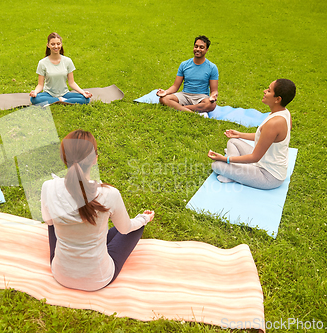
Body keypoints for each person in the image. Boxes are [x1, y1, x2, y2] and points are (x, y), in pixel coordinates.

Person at [41, 130, 155, 291]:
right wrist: (144, 219)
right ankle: (139, 223)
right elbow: (126, 229)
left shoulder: (48, 187)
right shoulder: (109, 194)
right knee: (135, 228)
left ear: (63, 158)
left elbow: (49, 222)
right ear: (95, 159)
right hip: (97, 279)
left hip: (60, 274)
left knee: (53, 223)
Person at [207, 79, 296, 189]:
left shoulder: (274, 123)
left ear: (277, 99)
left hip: (268, 176)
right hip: (262, 161)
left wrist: (225, 159)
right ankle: (236, 172)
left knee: (217, 165)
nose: (264, 91)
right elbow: (265, 138)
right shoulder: (284, 112)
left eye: (268, 90)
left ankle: (233, 173)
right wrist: (240, 135)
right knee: (233, 141)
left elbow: (254, 157)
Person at [157, 35, 219, 113]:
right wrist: (165, 92)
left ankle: (181, 108)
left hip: (201, 97)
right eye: (196, 46)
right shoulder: (184, 65)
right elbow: (175, 86)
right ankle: (191, 112)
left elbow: (214, 90)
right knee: (163, 99)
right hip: (185, 95)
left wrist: (213, 95)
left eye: (201, 47)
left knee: (211, 105)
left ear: (207, 50)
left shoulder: (212, 67)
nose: (198, 49)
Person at [30, 33, 92, 105]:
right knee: (34, 99)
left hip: (64, 93)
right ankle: (60, 100)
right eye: (53, 44)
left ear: (61, 44)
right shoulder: (42, 63)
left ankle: (57, 101)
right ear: (48, 45)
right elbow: (40, 85)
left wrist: (83, 92)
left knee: (86, 99)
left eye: (58, 44)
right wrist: (35, 92)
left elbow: (71, 83)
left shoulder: (68, 61)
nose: (56, 46)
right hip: (49, 94)